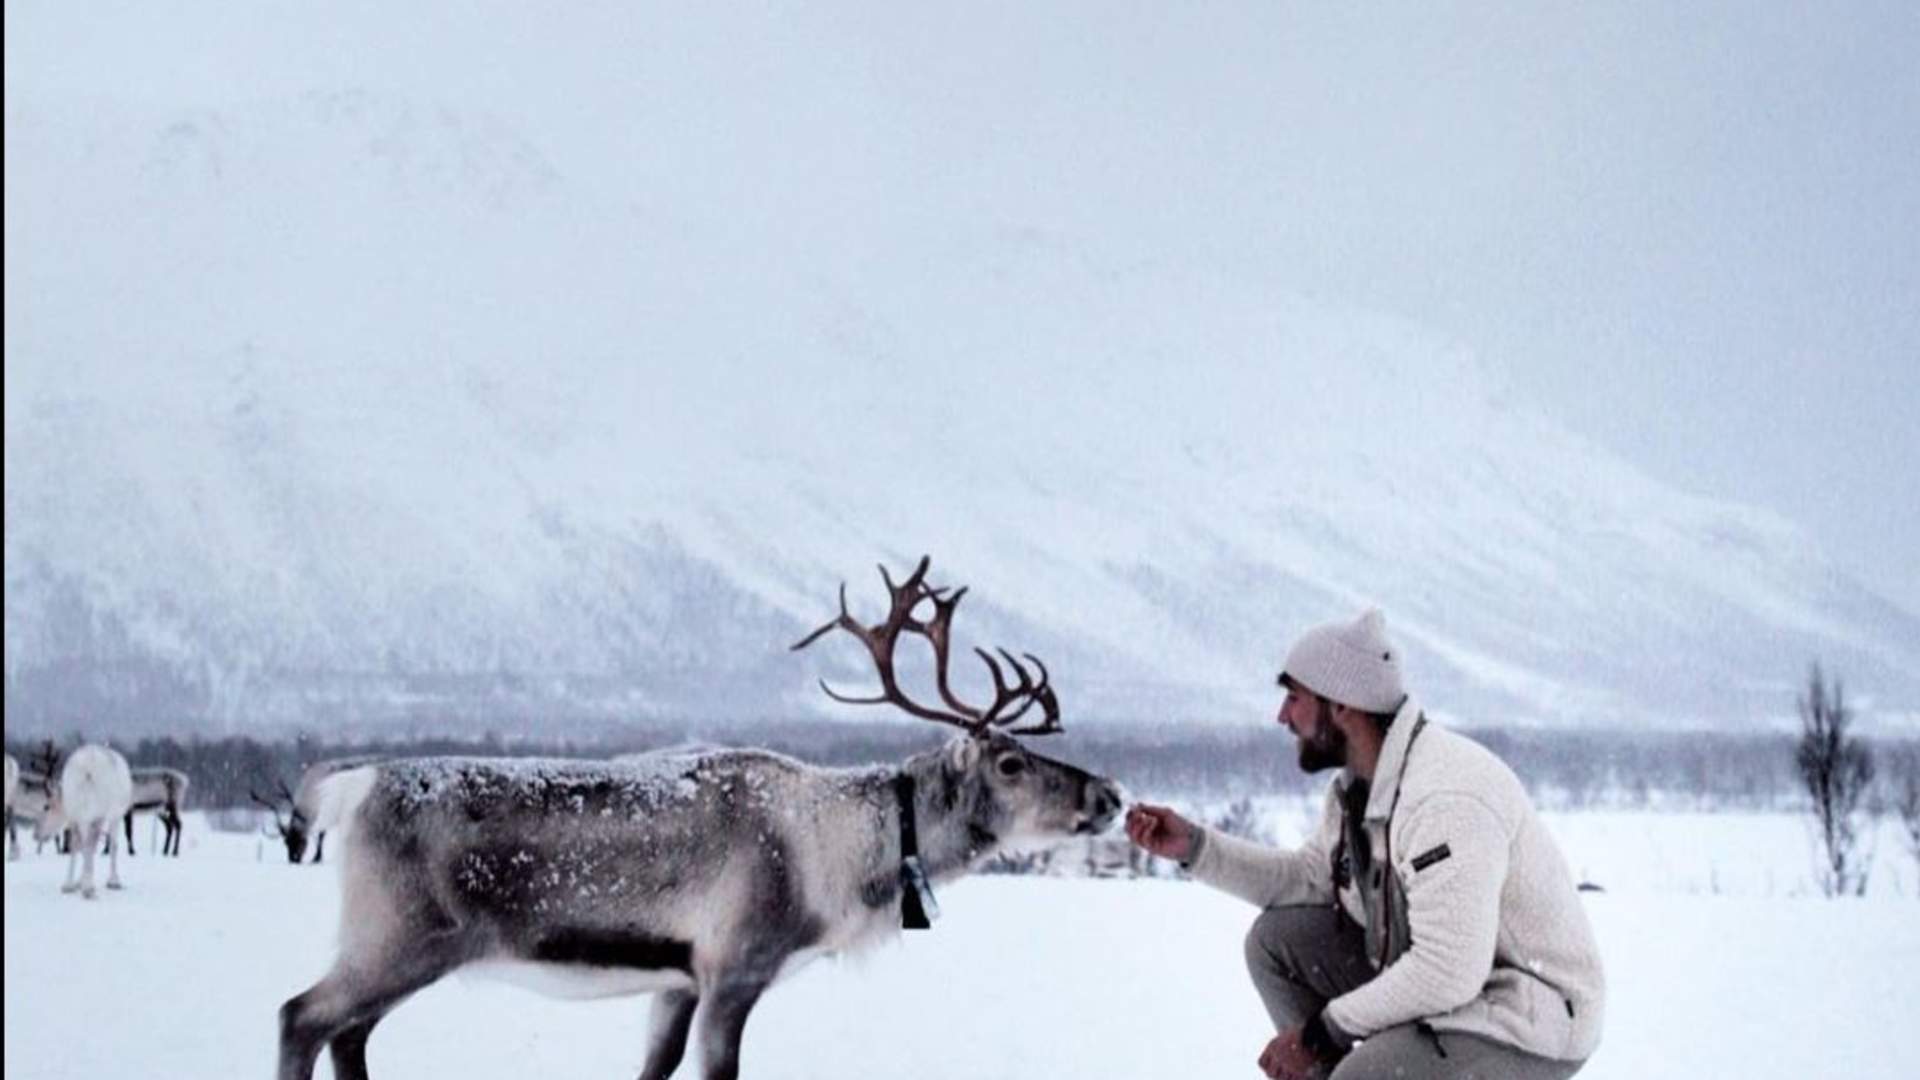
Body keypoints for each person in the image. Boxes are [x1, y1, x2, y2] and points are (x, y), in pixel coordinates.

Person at [1126, 609, 1604, 1079]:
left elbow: (1448, 970)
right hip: (1449, 984)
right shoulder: (1359, 790)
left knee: (1366, 1076)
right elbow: (1306, 880)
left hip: (1527, 1014)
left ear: (1341, 706)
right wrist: (1194, 848)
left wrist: (1318, 1035)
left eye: (1293, 697)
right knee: (1275, 944)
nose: (1282, 716)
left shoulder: (1444, 800)